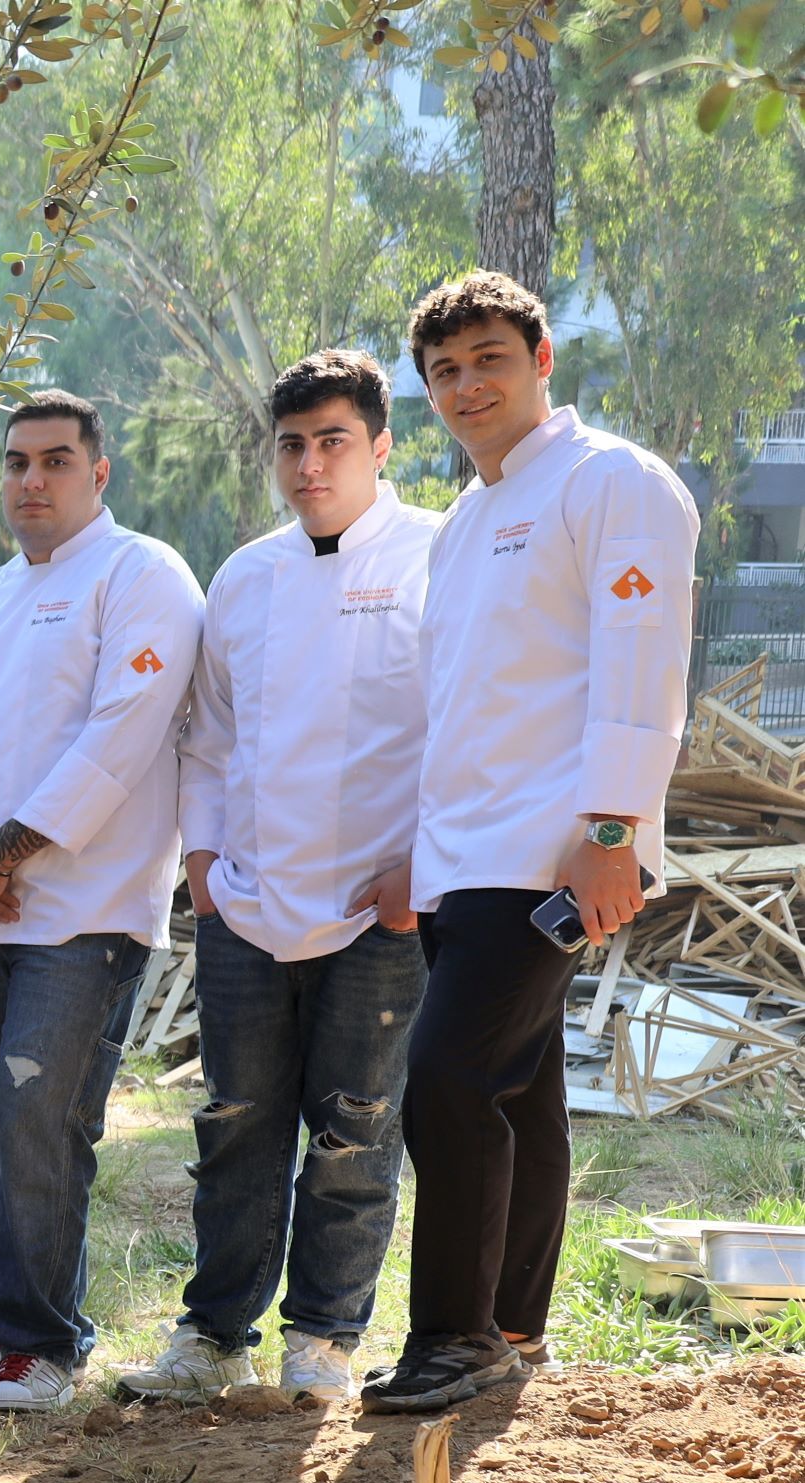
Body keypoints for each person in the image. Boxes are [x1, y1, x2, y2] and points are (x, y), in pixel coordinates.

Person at [363, 273, 696, 1414]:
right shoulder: (463, 520)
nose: (469, 385)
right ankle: (513, 1322)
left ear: (542, 356)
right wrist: (421, 849)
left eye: (490, 357)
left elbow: (643, 664)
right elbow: (461, 705)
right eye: (446, 370)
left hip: (555, 853)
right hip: (464, 861)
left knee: (448, 1081)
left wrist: (612, 828)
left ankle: (452, 1335)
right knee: (521, 1088)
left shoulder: (612, 482)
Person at [123, 350, 437, 1408]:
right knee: (235, 1121)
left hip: (375, 910)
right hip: (247, 904)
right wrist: (204, 861)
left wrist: (418, 873)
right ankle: (215, 1333)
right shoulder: (244, 575)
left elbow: (465, 733)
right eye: (292, 444)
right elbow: (208, 735)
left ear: (383, 445)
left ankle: (323, 1340)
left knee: (354, 1125)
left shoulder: (437, 557)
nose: (309, 464)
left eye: (332, 440)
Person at [0, 391, 204, 1411]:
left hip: (86, 907)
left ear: (98, 471)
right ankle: (22, 1333)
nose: (30, 480)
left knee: (45, 1110)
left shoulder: (144, 574)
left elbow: (122, 734)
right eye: (15, 463)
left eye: (53, 460)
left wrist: (4, 853)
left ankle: (40, 1343)